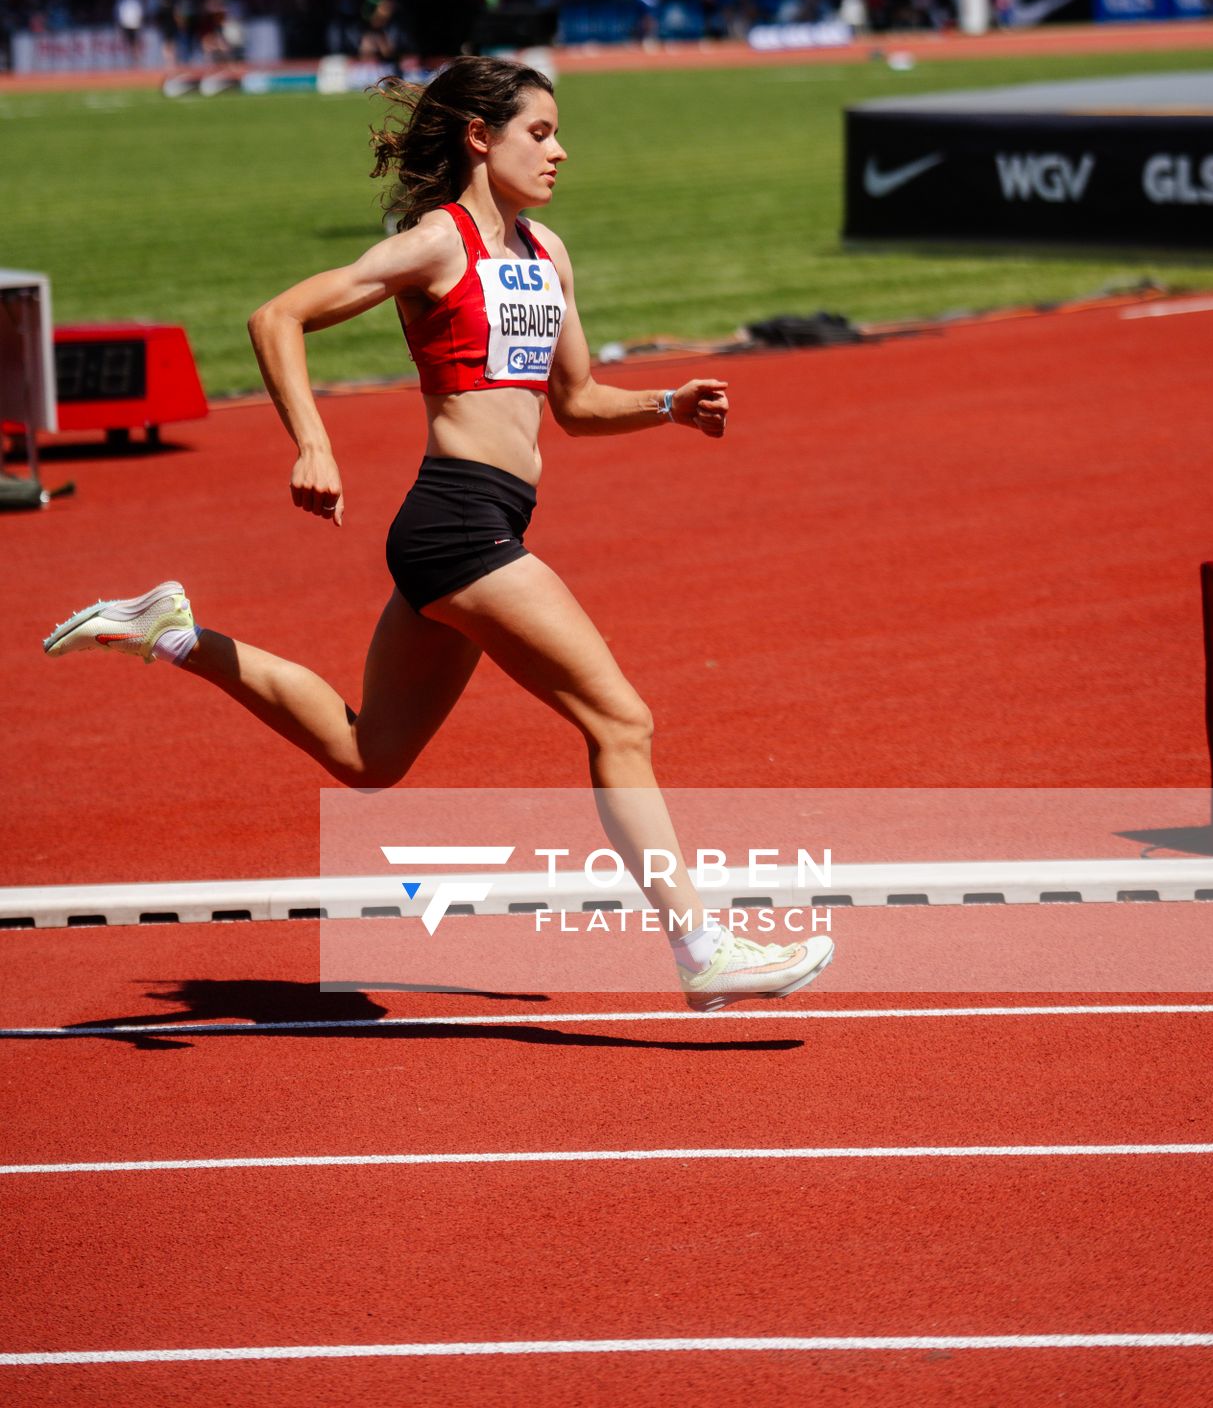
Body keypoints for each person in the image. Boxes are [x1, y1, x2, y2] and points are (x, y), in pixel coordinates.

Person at [42, 57, 834, 1012]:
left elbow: (575, 405)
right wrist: (314, 444)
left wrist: (668, 402)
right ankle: (701, 945)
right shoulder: (435, 246)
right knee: (621, 721)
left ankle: (170, 632)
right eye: (539, 133)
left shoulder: (547, 252)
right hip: (457, 524)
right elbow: (277, 316)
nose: (559, 151)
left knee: (367, 757)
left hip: (482, 522)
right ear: (479, 138)